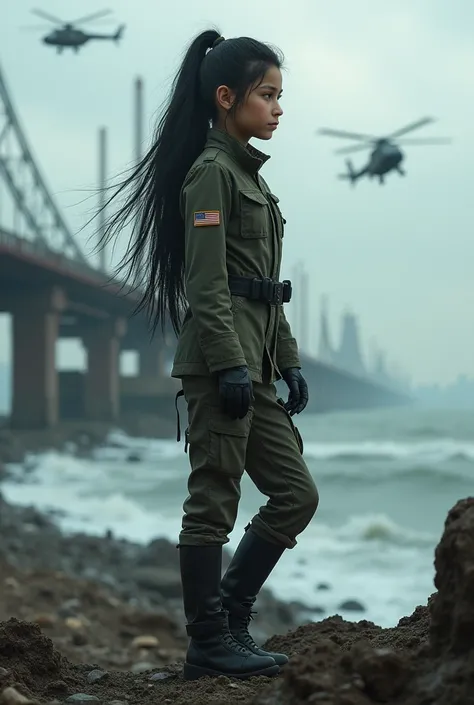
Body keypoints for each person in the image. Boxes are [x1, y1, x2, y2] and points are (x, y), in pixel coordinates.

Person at [100, 28, 319, 681]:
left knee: (295, 493)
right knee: (214, 496)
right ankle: (208, 643)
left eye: (282, 95)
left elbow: (263, 287)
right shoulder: (210, 176)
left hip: (256, 365)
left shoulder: (253, 180)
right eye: (268, 94)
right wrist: (227, 362)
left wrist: (290, 359)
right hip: (219, 364)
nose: (279, 107)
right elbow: (207, 283)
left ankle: (230, 621)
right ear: (227, 98)